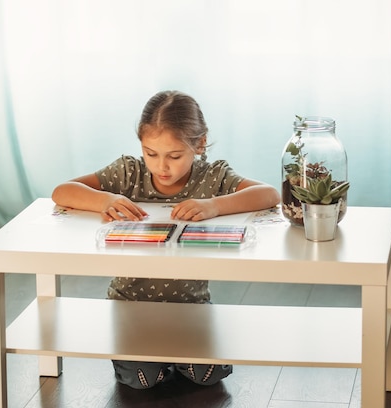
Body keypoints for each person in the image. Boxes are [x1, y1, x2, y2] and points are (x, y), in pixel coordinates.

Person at [52, 90, 280, 389]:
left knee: (209, 375)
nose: (162, 167)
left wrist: (213, 204)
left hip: (191, 307)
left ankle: (181, 353)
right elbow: (62, 191)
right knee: (142, 380)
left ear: (199, 144)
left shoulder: (211, 176)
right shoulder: (128, 172)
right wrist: (105, 200)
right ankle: (149, 356)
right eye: (151, 153)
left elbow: (269, 194)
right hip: (130, 307)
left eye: (174, 156)